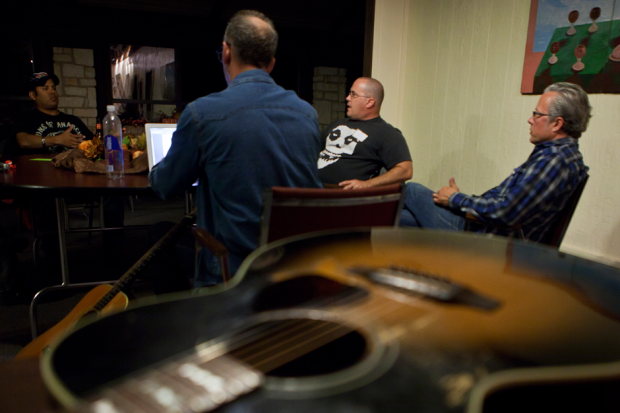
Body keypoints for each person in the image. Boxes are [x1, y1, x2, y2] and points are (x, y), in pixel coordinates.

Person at [148, 10, 322, 292]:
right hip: (290, 266)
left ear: (226, 52)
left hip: (230, 269)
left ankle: (190, 323)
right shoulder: (307, 114)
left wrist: (153, 168)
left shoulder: (202, 113)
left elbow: (167, 186)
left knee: (157, 234)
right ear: (272, 63)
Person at [400, 82, 591, 243]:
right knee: (399, 219)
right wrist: (460, 200)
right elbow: (507, 203)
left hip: (486, 240)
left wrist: (454, 199)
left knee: (412, 190)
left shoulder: (554, 162)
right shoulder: (564, 156)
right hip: (486, 228)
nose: (530, 120)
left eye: (537, 114)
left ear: (557, 124)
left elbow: (506, 211)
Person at [317, 77, 412, 189]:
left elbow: (406, 170)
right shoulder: (337, 124)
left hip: (343, 197)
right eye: (349, 93)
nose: (347, 98)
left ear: (369, 102)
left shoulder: (387, 133)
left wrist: (367, 184)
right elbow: (313, 148)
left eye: (354, 94)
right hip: (312, 188)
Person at [12, 72, 93, 153]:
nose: (52, 92)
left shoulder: (73, 120)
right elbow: (24, 142)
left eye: (54, 88)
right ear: (33, 95)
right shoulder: (25, 119)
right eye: (45, 88)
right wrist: (58, 139)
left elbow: (94, 144)